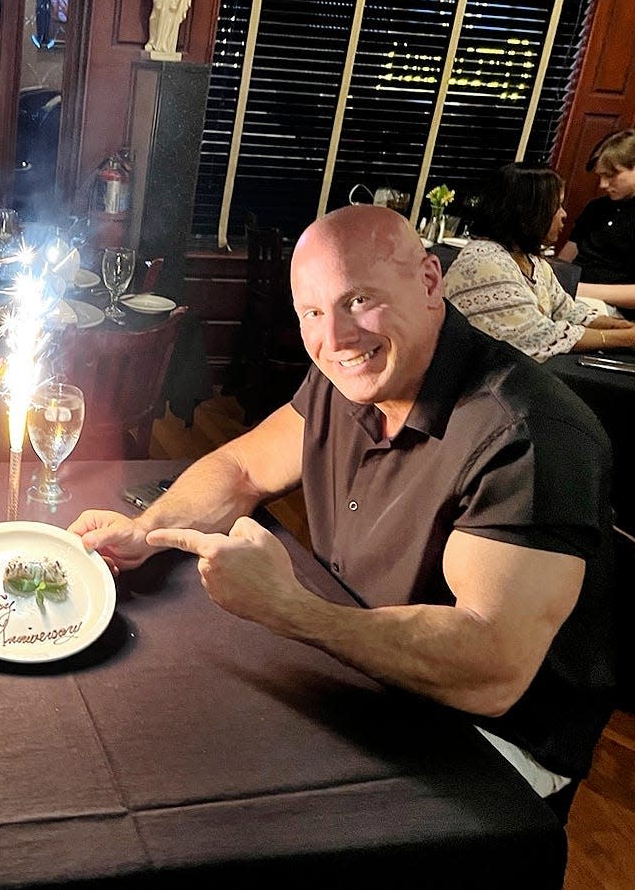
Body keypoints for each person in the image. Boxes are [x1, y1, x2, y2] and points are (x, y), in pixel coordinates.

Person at [70, 205, 614, 822]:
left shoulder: (529, 434)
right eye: (312, 313)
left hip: (490, 749)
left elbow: (490, 669)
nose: (334, 340)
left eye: (359, 300)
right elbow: (243, 468)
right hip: (362, 666)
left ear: (430, 282)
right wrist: (145, 531)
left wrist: (289, 607)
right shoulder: (350, 373)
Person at [442, 162, 635, 361]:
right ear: (528, 212)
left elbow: (567, 310)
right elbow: (538, 335)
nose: (564, 215)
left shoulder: (531, 261)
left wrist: (620, 326)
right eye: (556, 206)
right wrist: (624, 338)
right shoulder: (484, 262)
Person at [560, 128, 635, 312]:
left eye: (610, 176)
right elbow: (566, 259)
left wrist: (578, 289)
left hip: (612, 309)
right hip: (572, 295)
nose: (603, 185)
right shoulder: (597, 207)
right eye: (600, 176)